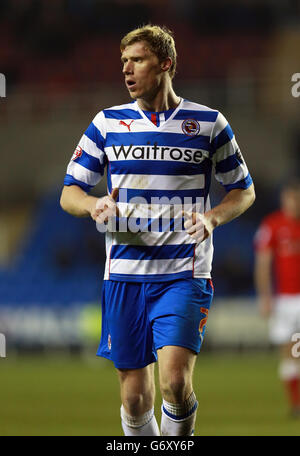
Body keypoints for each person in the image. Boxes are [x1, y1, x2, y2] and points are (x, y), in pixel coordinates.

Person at [60, 24, 255, 436]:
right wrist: (94, 203)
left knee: (176, 382)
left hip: (183, 274)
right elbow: (69, 193)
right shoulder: (107, 123)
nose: (127, 70)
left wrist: (211, 218)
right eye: (123, 62)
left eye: (138, 60)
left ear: (165, 64)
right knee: (134, 397)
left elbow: (244, 191)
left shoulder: (208, 124)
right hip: (125, 276)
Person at [254, 180, 300, 417]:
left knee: (295, 351)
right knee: (290, 351)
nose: (293, 204)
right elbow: (263, 264)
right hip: (285, 301)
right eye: (289, 199)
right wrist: (265, 297)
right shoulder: (273, 225)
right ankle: (295, 403)